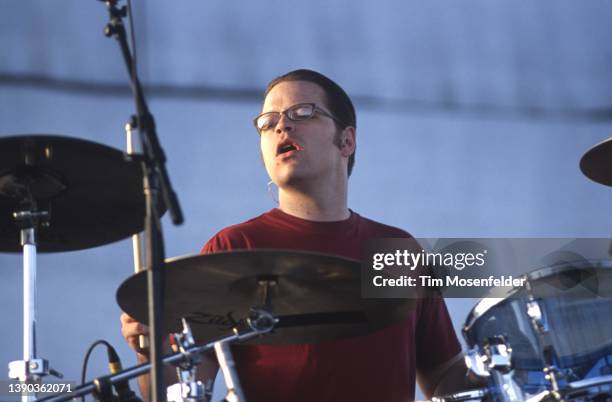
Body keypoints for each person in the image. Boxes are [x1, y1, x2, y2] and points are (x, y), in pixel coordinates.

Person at [121, 69, 469, 401]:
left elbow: (444, 379)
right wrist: (148, 352)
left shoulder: (398, 251)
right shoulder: (234, 248)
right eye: (267, 123)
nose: (282, 125)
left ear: (346, 140)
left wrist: (509, 359)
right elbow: (179, 391)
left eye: (302, 112)